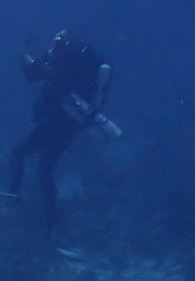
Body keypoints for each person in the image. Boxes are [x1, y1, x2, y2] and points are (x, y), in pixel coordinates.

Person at [8, 30, 116, 239]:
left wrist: (38, 66)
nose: (55, 49)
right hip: (56, 122)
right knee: (33, 164)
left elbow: (57, 78)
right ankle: (28, 205)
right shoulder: (55, 57)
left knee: (36, 165)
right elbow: (32, 75)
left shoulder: (73, 63)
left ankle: (41, 213)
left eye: (59, 45)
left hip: (64, 124)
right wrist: (24, 56)